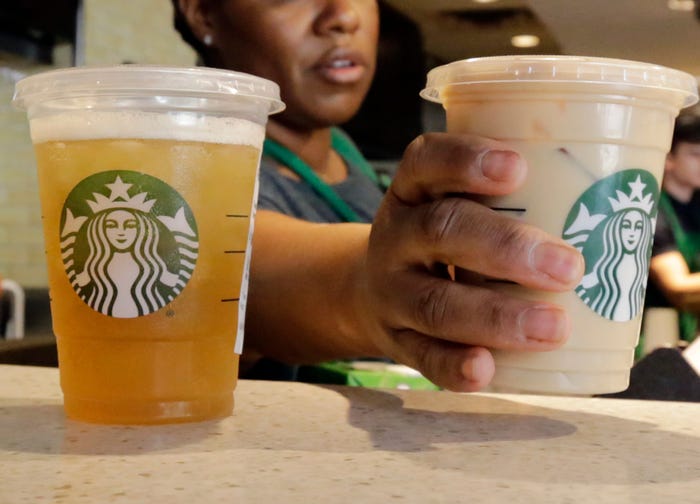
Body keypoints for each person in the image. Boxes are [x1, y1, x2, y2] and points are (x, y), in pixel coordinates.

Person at [172, 0, 584, 392]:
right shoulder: (190, 170)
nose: (343, 16)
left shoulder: (344, 153)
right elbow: (241, 270)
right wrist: (373, 290)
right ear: (204, 14)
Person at [645, 110, 700, 344]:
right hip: (655, 342)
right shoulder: (651, 210)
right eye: (696, 155)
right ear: (669, 159)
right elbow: (677, 286)